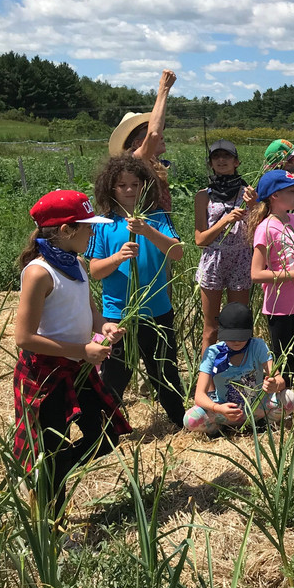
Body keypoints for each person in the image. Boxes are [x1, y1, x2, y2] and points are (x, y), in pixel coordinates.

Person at [13, 190, 131, 514]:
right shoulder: (39, 273)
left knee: (104, 434)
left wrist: (103, 327)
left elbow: (89, 307)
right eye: (88, 227)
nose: (92, 233)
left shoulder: (76, 263)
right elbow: (23, 337)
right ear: (66, 231)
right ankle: (51, 524)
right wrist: (82, 349)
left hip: (78, 365)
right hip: (47, 373)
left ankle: (46, 474)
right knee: (53, 444)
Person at [86, 155, 185, 426]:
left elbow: (177, 253)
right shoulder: (102, 224)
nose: (129, 190)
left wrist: (149, 231)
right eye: (122, 185)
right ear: (111, 188)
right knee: (115, 373)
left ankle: (181, 421)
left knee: (164, 370)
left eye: (135, 184)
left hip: (157, 309)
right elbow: (95, 271)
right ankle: (104, 428)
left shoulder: (158, 217)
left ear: (145, 186)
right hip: (118, 314)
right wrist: (117, 258)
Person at [183, 302, 294, 437]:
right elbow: (199, 396)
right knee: (190, 419)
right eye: (231, 336)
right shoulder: (213, 353)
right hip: (225, 411)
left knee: (290, 398)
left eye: (241, 336)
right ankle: (219, 430)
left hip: (257, 409)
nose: (236, 341)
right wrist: (218, 408)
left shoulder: (258, 346)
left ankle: (264, 425)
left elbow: (279, 379)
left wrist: (275, 384)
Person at [247, 169, 294, 393]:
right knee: (283, 356)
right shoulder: (266, 228)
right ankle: (284, 398)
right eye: (292, 190)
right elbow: (256, 274)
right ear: (275, 195)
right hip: (279, 307)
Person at [194, 140, 256, 356]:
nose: (221, 160)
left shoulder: (249, 193)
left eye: (227, 156)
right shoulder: (203, 196)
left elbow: (258, 232)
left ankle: (240, 375)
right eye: (216, 157)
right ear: (210, 163)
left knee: (239, 325)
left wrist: (253, 206)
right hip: (214, 261)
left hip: (241, 259)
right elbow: (200, 240)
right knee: (211, 328)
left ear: (236, 162)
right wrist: (224, 221)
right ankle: (206, 381)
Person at [107, 70, 177, 213]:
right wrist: (163, 89)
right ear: (138, 143)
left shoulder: (152, 164)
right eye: (147, 132)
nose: (160, 136)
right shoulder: (135, 162)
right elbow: (154, 135)